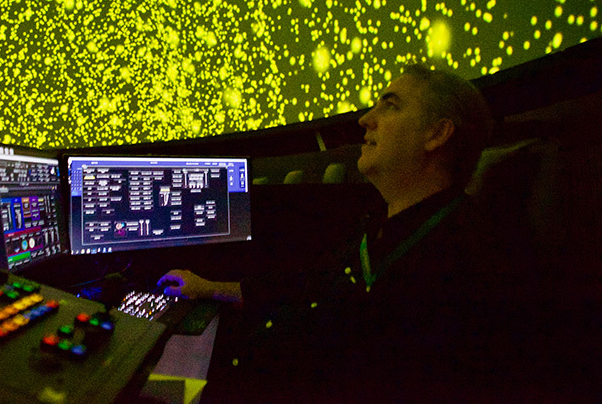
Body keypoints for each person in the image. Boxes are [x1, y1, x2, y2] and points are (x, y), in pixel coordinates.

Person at [157, 64, 542, 401]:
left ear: (437, 135)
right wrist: (206, 287)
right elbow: (302, 291)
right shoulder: (373, 226)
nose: (364, 119)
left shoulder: (476, 263)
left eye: (390, 105)